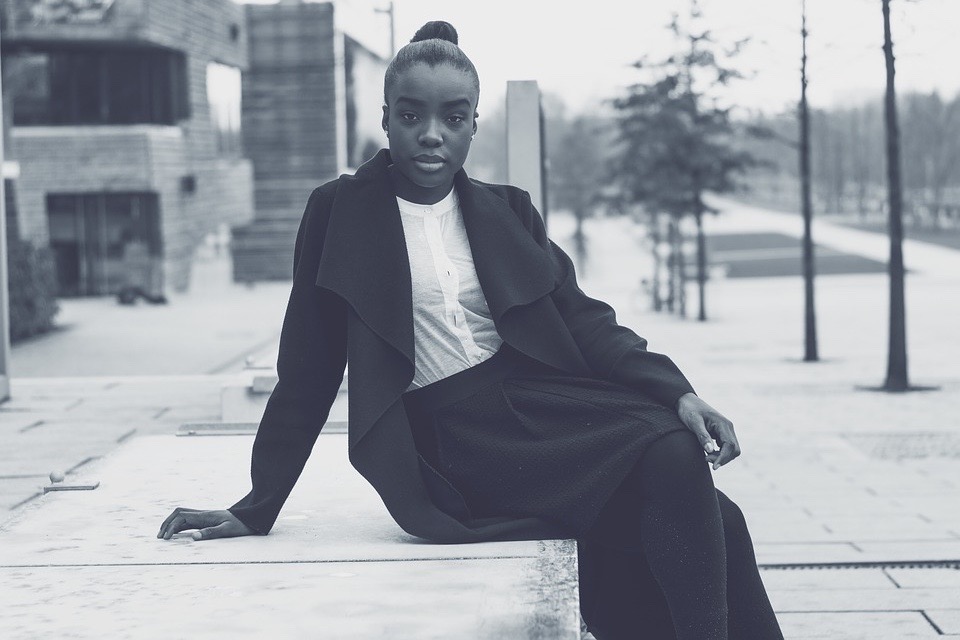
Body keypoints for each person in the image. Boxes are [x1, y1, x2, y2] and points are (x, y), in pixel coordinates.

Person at [158, 21, 783, 640]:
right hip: (458, 440)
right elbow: (307, 368)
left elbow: (583, 318)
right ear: (386, 118)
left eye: (453, 118)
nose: (432, 134)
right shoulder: (338, 211)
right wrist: (257, 504)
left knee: (717, 517)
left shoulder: (506, 210)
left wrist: (678, 391)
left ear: (474, 125)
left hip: (542, 408)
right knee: (674, 460)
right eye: (412, 115)